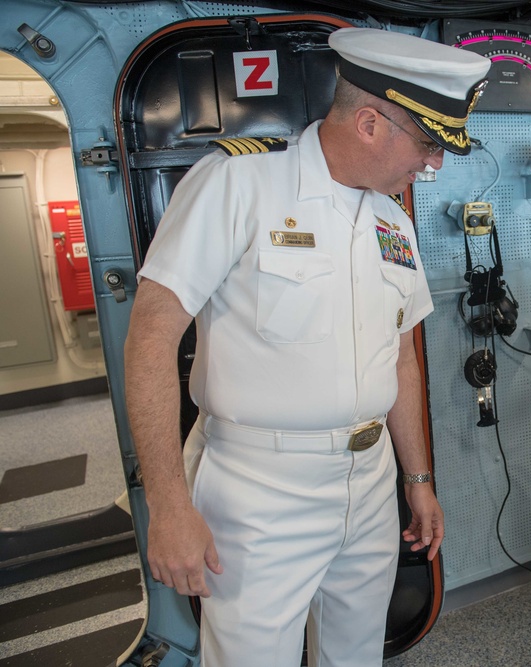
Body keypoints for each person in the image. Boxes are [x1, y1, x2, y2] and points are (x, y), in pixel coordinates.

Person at [122, 27, 490, 667]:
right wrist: (169, 506)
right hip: (259, 490)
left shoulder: (391, 219)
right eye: (430, 143)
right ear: (370, 123)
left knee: (355, 654)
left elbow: (399, 359)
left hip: (370, 482)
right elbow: (151, 342)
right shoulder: (237, 183)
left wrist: (418, 479)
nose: (435, 164)